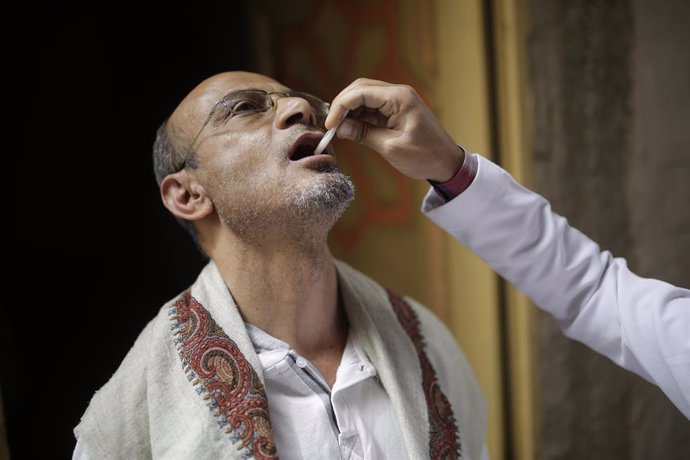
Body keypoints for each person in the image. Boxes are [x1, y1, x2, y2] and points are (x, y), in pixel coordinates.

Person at [72, 71, 489, 460]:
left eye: (300, 101)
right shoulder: (133, 415)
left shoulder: (429, 344)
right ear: (187, 195)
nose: (301, 110)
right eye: (244, 108)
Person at [324, 78, 690, 420]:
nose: (298, 109)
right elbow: (594, 290)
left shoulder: (426, 350)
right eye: (262, 104)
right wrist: (449, 168)